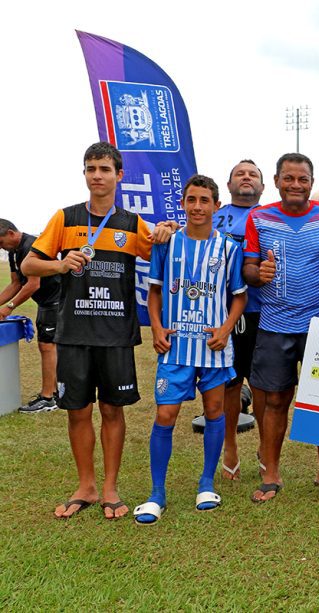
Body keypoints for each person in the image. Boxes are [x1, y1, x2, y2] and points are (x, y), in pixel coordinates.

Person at [21, 141, 175, 519]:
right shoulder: (65, 218)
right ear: (85, 174)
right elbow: (28, 265)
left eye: (105, 169)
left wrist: (167, 230)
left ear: (119, 175)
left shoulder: (131, 224)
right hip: (73, 333)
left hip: (115, 335)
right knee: (77, 411)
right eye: (91, 169)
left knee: (111, 410)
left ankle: (110, 488)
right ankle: (86, 486)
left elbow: (162, 251)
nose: (97, 176)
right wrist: (59, 265)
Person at [133, 175, 247, 524]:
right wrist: (156, 326)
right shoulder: (166, 244)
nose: (197, 207)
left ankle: (206, 484)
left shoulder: (228, 248)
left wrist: (227, 329)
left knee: (215, 412)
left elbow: (239, 296)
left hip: (213, 347)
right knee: (165, 416)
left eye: (204, 200)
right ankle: (157, 493)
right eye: (191, 200)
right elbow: (154, 292)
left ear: (215, 205)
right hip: (176, 346)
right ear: (183, 204)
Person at [244, 153, 319, 503]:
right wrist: (258, 274)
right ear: (276, 181)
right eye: (288, 178)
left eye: (302, 179)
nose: (296, 185)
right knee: (275, 399)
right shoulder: (259, 218)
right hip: (274, 324)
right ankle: (271, 473)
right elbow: (248, 268)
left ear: (312, 183)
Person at [212, 159, 265, 481]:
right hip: (222, 314)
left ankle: (265, 448)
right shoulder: (213, 218)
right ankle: (230, 446)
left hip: (265, 312)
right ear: (229, 184)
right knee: (229, 386)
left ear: (263, 185)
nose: (246, 178)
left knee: (263, 387)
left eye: (253, 174)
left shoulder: (271, 217)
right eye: (239, 174)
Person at [0, 218, 61, 413]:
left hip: (57, 300)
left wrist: (8, 308)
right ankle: (55, 393)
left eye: (0, 243)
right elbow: (16, 283)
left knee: (47, 346)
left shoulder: (32, 246)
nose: (1, 247)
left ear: (10, 233)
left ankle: (47, 398)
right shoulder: (14, 252)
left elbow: (33, 284)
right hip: (46, 302)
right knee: (48, 346)